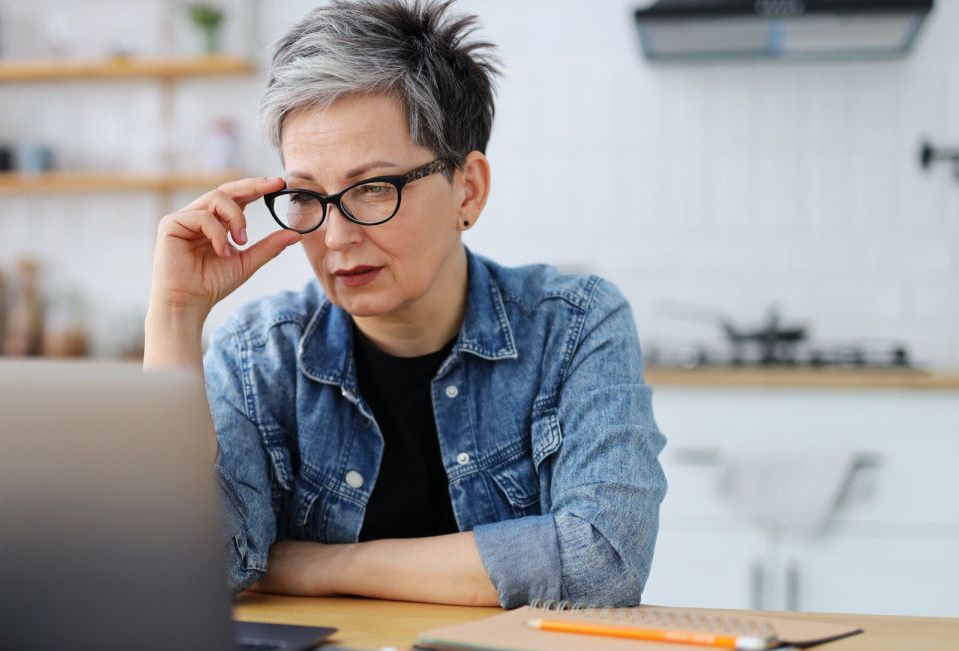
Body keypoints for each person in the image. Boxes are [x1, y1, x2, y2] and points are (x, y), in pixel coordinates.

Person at [144, 0, 666, 609]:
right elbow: (186, 567)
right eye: (307, 196)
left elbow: (604, 562)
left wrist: (317, 565)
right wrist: (176, 316)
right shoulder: (261, 353)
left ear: (467, 190)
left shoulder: (573, 326)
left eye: (372, 188)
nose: (336, 237)